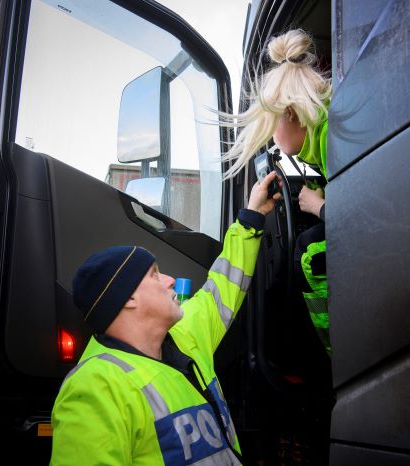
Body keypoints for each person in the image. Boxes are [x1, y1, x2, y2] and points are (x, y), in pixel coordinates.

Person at [50, 171, 281, 465]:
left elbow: (223, 284)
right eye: (155, 275)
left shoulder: (185, 335)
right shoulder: (94, 389)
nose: (171, 281)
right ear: (128, 298)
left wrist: (251, 218)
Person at [220, 29, 332, 353]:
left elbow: (360, 216)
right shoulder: (328, 133)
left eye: (272, 130)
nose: (273, 141)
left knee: (310, 251)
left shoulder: (332, 137)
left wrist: (317, 205)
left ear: (290, 114)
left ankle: (334, 354)